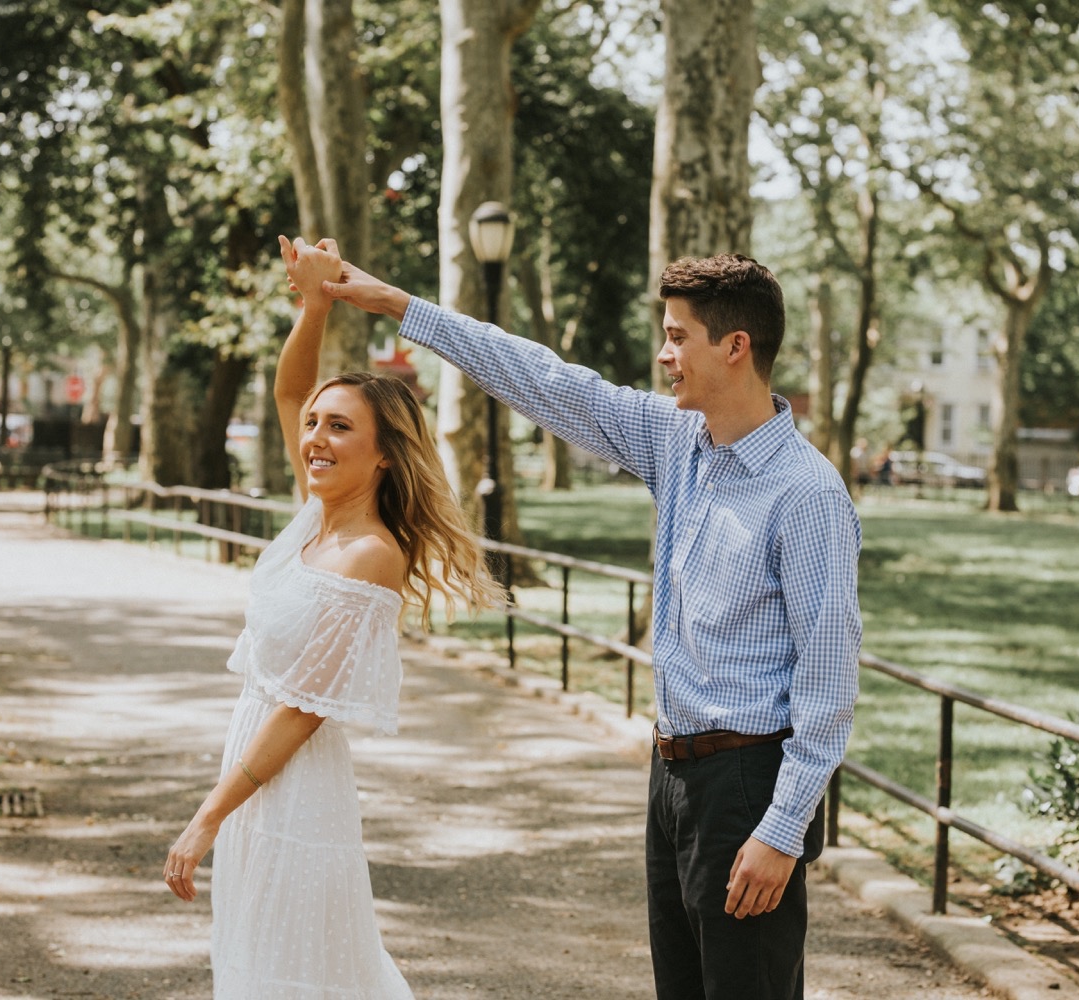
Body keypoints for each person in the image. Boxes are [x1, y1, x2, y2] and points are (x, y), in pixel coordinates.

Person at [304, 248, 862, 1000]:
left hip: (747, 785)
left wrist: (781, 828)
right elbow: (543, 379)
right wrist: (401, 307)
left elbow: (828, 684)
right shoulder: (676, 441)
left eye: (677, 336)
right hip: (673, 777)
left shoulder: (806, 495)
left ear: (735, 347)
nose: (664, 355)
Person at [162, 236, 502, 997]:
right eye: (317, 425)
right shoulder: (316, 513)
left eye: (339, 427)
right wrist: (314, 305)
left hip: (294, 787)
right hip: (252, 770)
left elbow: (302, 711)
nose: (314, 437)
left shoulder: (370, 555)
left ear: (384, 454)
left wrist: (206, 817)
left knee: (297, 972)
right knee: (254, 960)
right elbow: (289, 392)